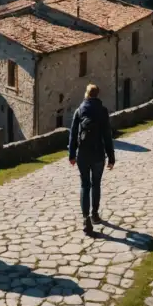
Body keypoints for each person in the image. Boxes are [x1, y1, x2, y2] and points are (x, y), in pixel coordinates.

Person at [69, 84, 115, 235]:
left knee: (85, 185)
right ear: (97, 95)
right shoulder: (102, 111)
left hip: (83, 154)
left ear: (86, 94)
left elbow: (73, 134)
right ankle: (95, 214)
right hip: (98, 154)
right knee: (96, 184)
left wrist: (72, 155)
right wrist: (111, 157)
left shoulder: (79, 110)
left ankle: (85, 219)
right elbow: (107, 136)